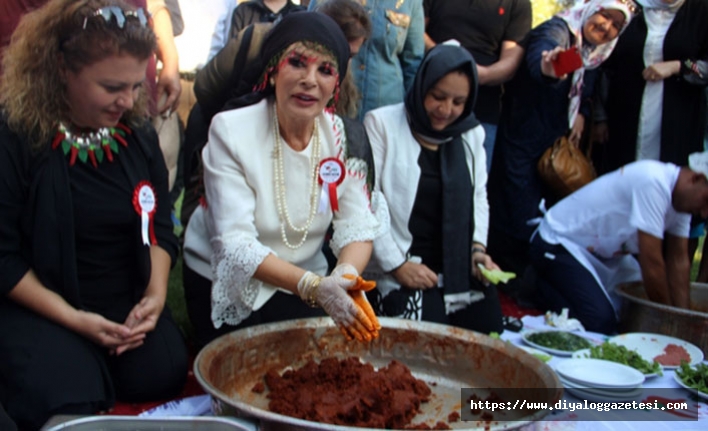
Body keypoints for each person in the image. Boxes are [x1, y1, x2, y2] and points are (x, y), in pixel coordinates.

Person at [0, 0, 189, 429]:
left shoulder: (136, 134)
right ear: (62, 70)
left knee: (162, 369)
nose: (128, 100)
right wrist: (75, 321)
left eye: (136, 86)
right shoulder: (17, 134)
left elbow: (160, 226)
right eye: (111, 88)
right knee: (69, 393)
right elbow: (3, 257)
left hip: (120, 303)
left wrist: (155, 296)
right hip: (45, 305)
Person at [182, 12, 383, 349]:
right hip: (231, 278)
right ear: (273, 70)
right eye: (297, 63)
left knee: (337, 359)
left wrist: (344, 277)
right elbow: (235, 244)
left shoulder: (343, 137)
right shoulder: (231, 131)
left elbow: (358, 225)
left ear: (336, 84)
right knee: (263, 369)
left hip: (312, 276)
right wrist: (313, 289)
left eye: (325, 70)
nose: (310, 80)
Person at [486, 0, 638, 298]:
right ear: (591, 8)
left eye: (616, 25)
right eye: (604, 15)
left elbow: (587, 73)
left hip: (548, 149)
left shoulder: (592, 51)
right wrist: (552, 64)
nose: (606, 26)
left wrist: (580, 111)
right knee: (517, 221)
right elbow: (545, 60)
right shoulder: (559, 31)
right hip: (521, 143)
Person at [362, 43, 503, 334]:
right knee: (428, 342)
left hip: (457, 264)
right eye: (438, 97)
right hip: (402, 261)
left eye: (458, 101)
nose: (446, 110)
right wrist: (397, 266)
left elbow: (479, 195)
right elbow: (368, 201)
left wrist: (478, 251)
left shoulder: (471, 133)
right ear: (422, 86)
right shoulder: (382, 124)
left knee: (489, 333)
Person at [529, 159, 708, 334]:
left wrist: (685, 321)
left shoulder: (683, 203)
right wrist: (669, 321)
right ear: (696, 178)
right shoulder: (654, 181)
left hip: (605, 255)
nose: (704, 212)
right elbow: (652, 263)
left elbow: (679, 261)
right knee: (600, 320)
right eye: (706, 200)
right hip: (559, 242)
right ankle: (534, 286)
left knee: (629, 314)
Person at [593, 0, 708, 176]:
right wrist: (600, 117)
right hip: (624, 119)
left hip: (677, 121)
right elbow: (605, 64)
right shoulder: (631, 9)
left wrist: (678, 66)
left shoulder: (700, 11)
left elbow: (704, 66)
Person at [423, 0, 532, 172]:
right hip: (429, 101)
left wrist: (479, 74)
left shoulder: (518, 4)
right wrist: (444, 59)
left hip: (481, 111)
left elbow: (511, 61)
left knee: (472, 186)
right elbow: (416, 29)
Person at [308, 0, 425, 120]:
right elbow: (308, 41)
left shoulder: (411, 2)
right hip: (337, 104)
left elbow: (413, 63)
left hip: (385, 111)